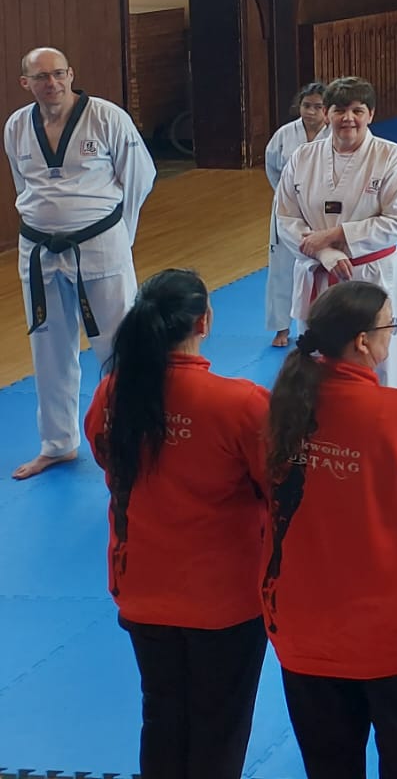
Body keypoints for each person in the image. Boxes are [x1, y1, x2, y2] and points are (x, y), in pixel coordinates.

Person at [262, 281, 397, 779]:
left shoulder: (278, 412)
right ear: (363, 342)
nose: (391, 335)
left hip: (305, 633)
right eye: (389, 326)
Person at [84, 269, 270, 779]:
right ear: (203, 321)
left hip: (142, 589)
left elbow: (105, 456)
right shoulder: (239, 403)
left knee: (162, 718)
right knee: (219, 727)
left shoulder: (114, 392)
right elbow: (278, 485)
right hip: (224, 601)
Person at [10, 46, 158, 479]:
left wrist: (119, 235)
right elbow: (26, 186)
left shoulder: (107, 117)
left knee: (118, 345)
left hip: (100, 244)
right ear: (25, 83)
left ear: (71, 74)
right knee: (48, 349)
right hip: (38, 252)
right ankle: (57, 443)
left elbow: (140, 178)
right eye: (41, 77)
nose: (52, 83)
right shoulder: (17, 126)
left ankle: (130, 440)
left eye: (58, 74)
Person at [276, 76, 397, 388]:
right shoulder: (303, 157)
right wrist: (324, 252)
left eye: (357, 110)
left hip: (371, 273)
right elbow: (285, 218)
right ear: (327, 114)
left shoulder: (390, 156)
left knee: (382, 360)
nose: (348, 118)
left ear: (371, 114)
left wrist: (334, 234)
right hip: (319, 270)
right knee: (318, 362)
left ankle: (383, 415)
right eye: (339, 110)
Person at [264, 82, 330, 348]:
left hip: (320, 208)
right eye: (306, 105)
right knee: (281, 268)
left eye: (318, 107)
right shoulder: (284, 134)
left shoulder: (334, 135)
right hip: (287, 207)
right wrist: (285, 197)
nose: (311, 112)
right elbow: (272, 167)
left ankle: (321, 324)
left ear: (327, 110)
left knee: (320, 266)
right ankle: (281, 327)